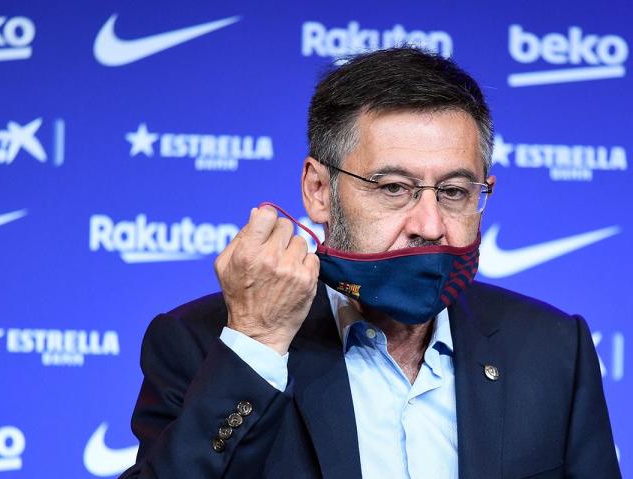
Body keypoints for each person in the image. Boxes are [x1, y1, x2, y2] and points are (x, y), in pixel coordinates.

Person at [119, 47, 620, 478]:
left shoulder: (553, 348)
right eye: (394, 188)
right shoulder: (201, 345)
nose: (430, 224)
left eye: (454, 191)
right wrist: (258, 346)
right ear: (319, 190)